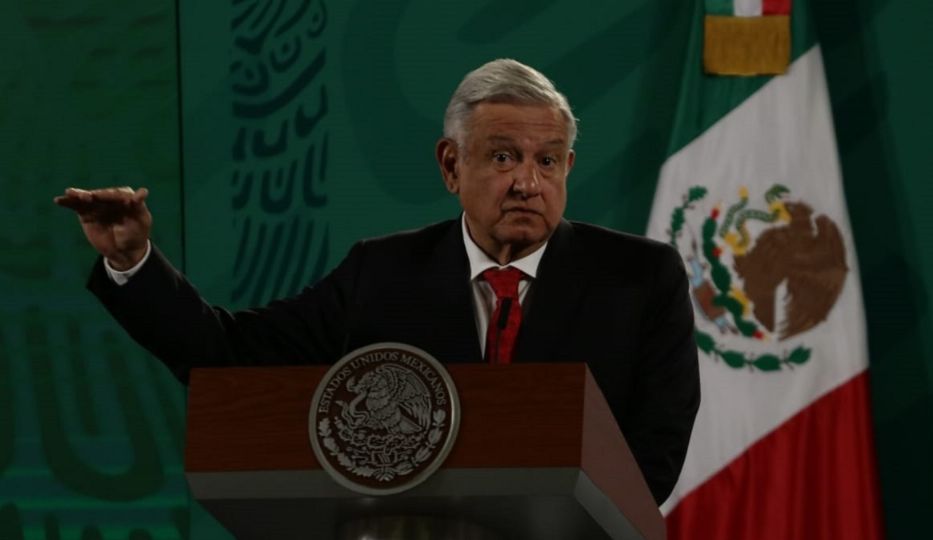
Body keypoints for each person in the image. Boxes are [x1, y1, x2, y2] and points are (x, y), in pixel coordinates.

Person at [55, 59, 699, 504]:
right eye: (503, 156)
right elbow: (228, 357)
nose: (528, 182)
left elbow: (654, 456)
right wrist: (132, 258)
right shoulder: (382, 274)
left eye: (548, 161)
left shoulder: (640, 279)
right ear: (451, 164)